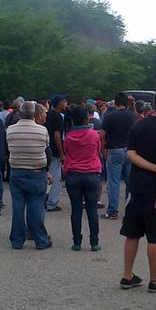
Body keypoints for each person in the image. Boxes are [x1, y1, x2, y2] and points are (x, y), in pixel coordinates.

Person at [120, 85, 156, 293]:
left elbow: (131, 154)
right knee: (155, 236)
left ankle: (127, 276)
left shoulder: (139, 125)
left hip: (136, 186)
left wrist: (149, 166)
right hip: (155, 190)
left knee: (132, 233)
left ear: (153, 104)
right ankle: (155, 281)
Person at [6, 101, 52, 249]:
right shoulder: (42, 131)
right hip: (37, 172)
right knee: (36, 207)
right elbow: (46, 149)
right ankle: (40, 240)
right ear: (34, 114)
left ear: (20, 113)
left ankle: (17, 240)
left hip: (17, 171)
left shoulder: (10, 130)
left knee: (18, 207)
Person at [63, 106, 102, 252]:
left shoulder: (68, 137)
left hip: (73, 174)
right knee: (92, 209)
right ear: (86, 118)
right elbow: (97, 150)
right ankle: (94, 242)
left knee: (76, 209)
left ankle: (77, 242)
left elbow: (66, 152)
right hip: (91, 174)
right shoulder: (93, 135)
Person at [100, 92, 137, 220]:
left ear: (115, 102)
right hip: (130, 151)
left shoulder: (110, 116)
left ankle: (112, 211)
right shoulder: (133, 116)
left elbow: (102, 135)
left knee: (114, 182)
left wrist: (103, 148)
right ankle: (131, 210)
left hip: (114, 150)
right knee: (130, 181)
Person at [45, 94, 67, 212]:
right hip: (54, 150)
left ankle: (46, 199)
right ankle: (51, 202)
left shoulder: (48, 114)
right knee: (55, 177)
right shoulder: (58, 116)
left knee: (47, 176)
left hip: (46, 148)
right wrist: (62, 152)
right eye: (64, 101)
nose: (66, 103)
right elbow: (57, 135)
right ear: (59, 103)